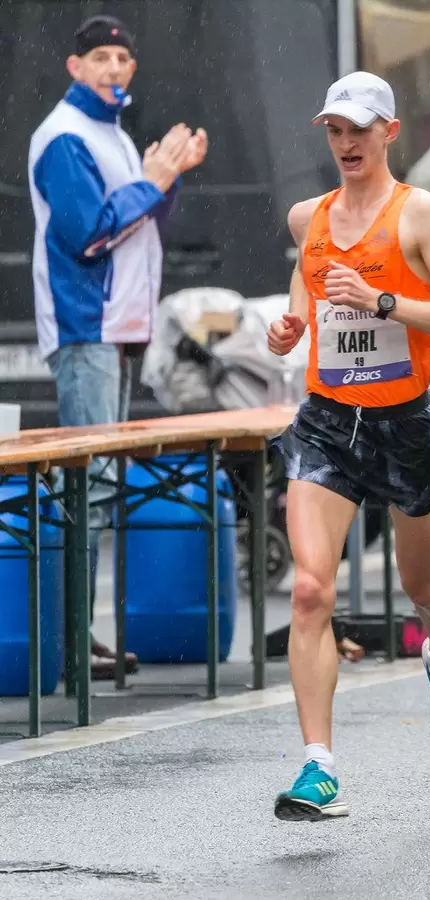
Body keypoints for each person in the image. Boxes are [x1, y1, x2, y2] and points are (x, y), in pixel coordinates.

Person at [267, 71, 430, 822]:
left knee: (423, 590)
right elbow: (308, 285)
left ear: (390, 133)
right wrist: (292, 324)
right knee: (308, 589)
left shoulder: (421, 216)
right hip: (329, 422)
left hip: (406, 423)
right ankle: (318, 768)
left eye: (360, 128)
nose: (346, 142)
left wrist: (387, 301)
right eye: (335, 129)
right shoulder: (309, 217)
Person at [28, 15, 208, 679]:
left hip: (117, 329)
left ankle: (80, 634)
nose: (113, 68)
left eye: (122, 58)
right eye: (99, 57)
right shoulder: (65, 137)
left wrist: (170, 175)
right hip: (85, 328)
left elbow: (139, 222)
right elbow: (88, 234)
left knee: (99, 488)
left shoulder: (113, 135)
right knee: (92, 489)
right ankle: (72, 645)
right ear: (74, 67)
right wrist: (152, 180)